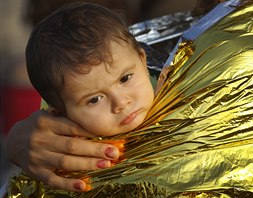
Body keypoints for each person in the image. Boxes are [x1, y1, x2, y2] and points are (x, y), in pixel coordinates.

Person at [7, 2, 156, 192]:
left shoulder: (178, 87)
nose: (120, 102)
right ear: (59, 111)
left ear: (143, 61)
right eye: (94, 99)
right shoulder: (64, 164)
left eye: (125, 78)